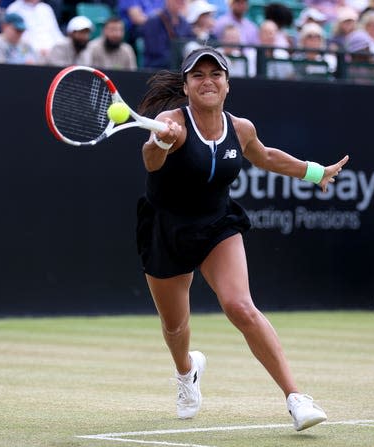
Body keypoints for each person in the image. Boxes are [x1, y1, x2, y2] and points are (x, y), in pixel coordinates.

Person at [135, 45, 348, 430]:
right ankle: (187, 373)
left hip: (217, 224)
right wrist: (161, 142)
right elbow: (151, 161)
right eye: (197, 75)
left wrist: (315, 173)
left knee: (241, 306)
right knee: (174, 327)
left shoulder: (241, 128)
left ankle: (296, 398)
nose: (207, 81)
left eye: (215, 74)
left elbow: (265, 156)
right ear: (186, 86)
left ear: (227, 84)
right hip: (167, 229)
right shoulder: (171, 121)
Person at [141, 0, 194, 69]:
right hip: (157, 71)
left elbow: (190, 46)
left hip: (179, 70)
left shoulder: (185, 23)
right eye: (178, 1)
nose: (181, 2)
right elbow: (156, 53)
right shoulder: (154, 21)